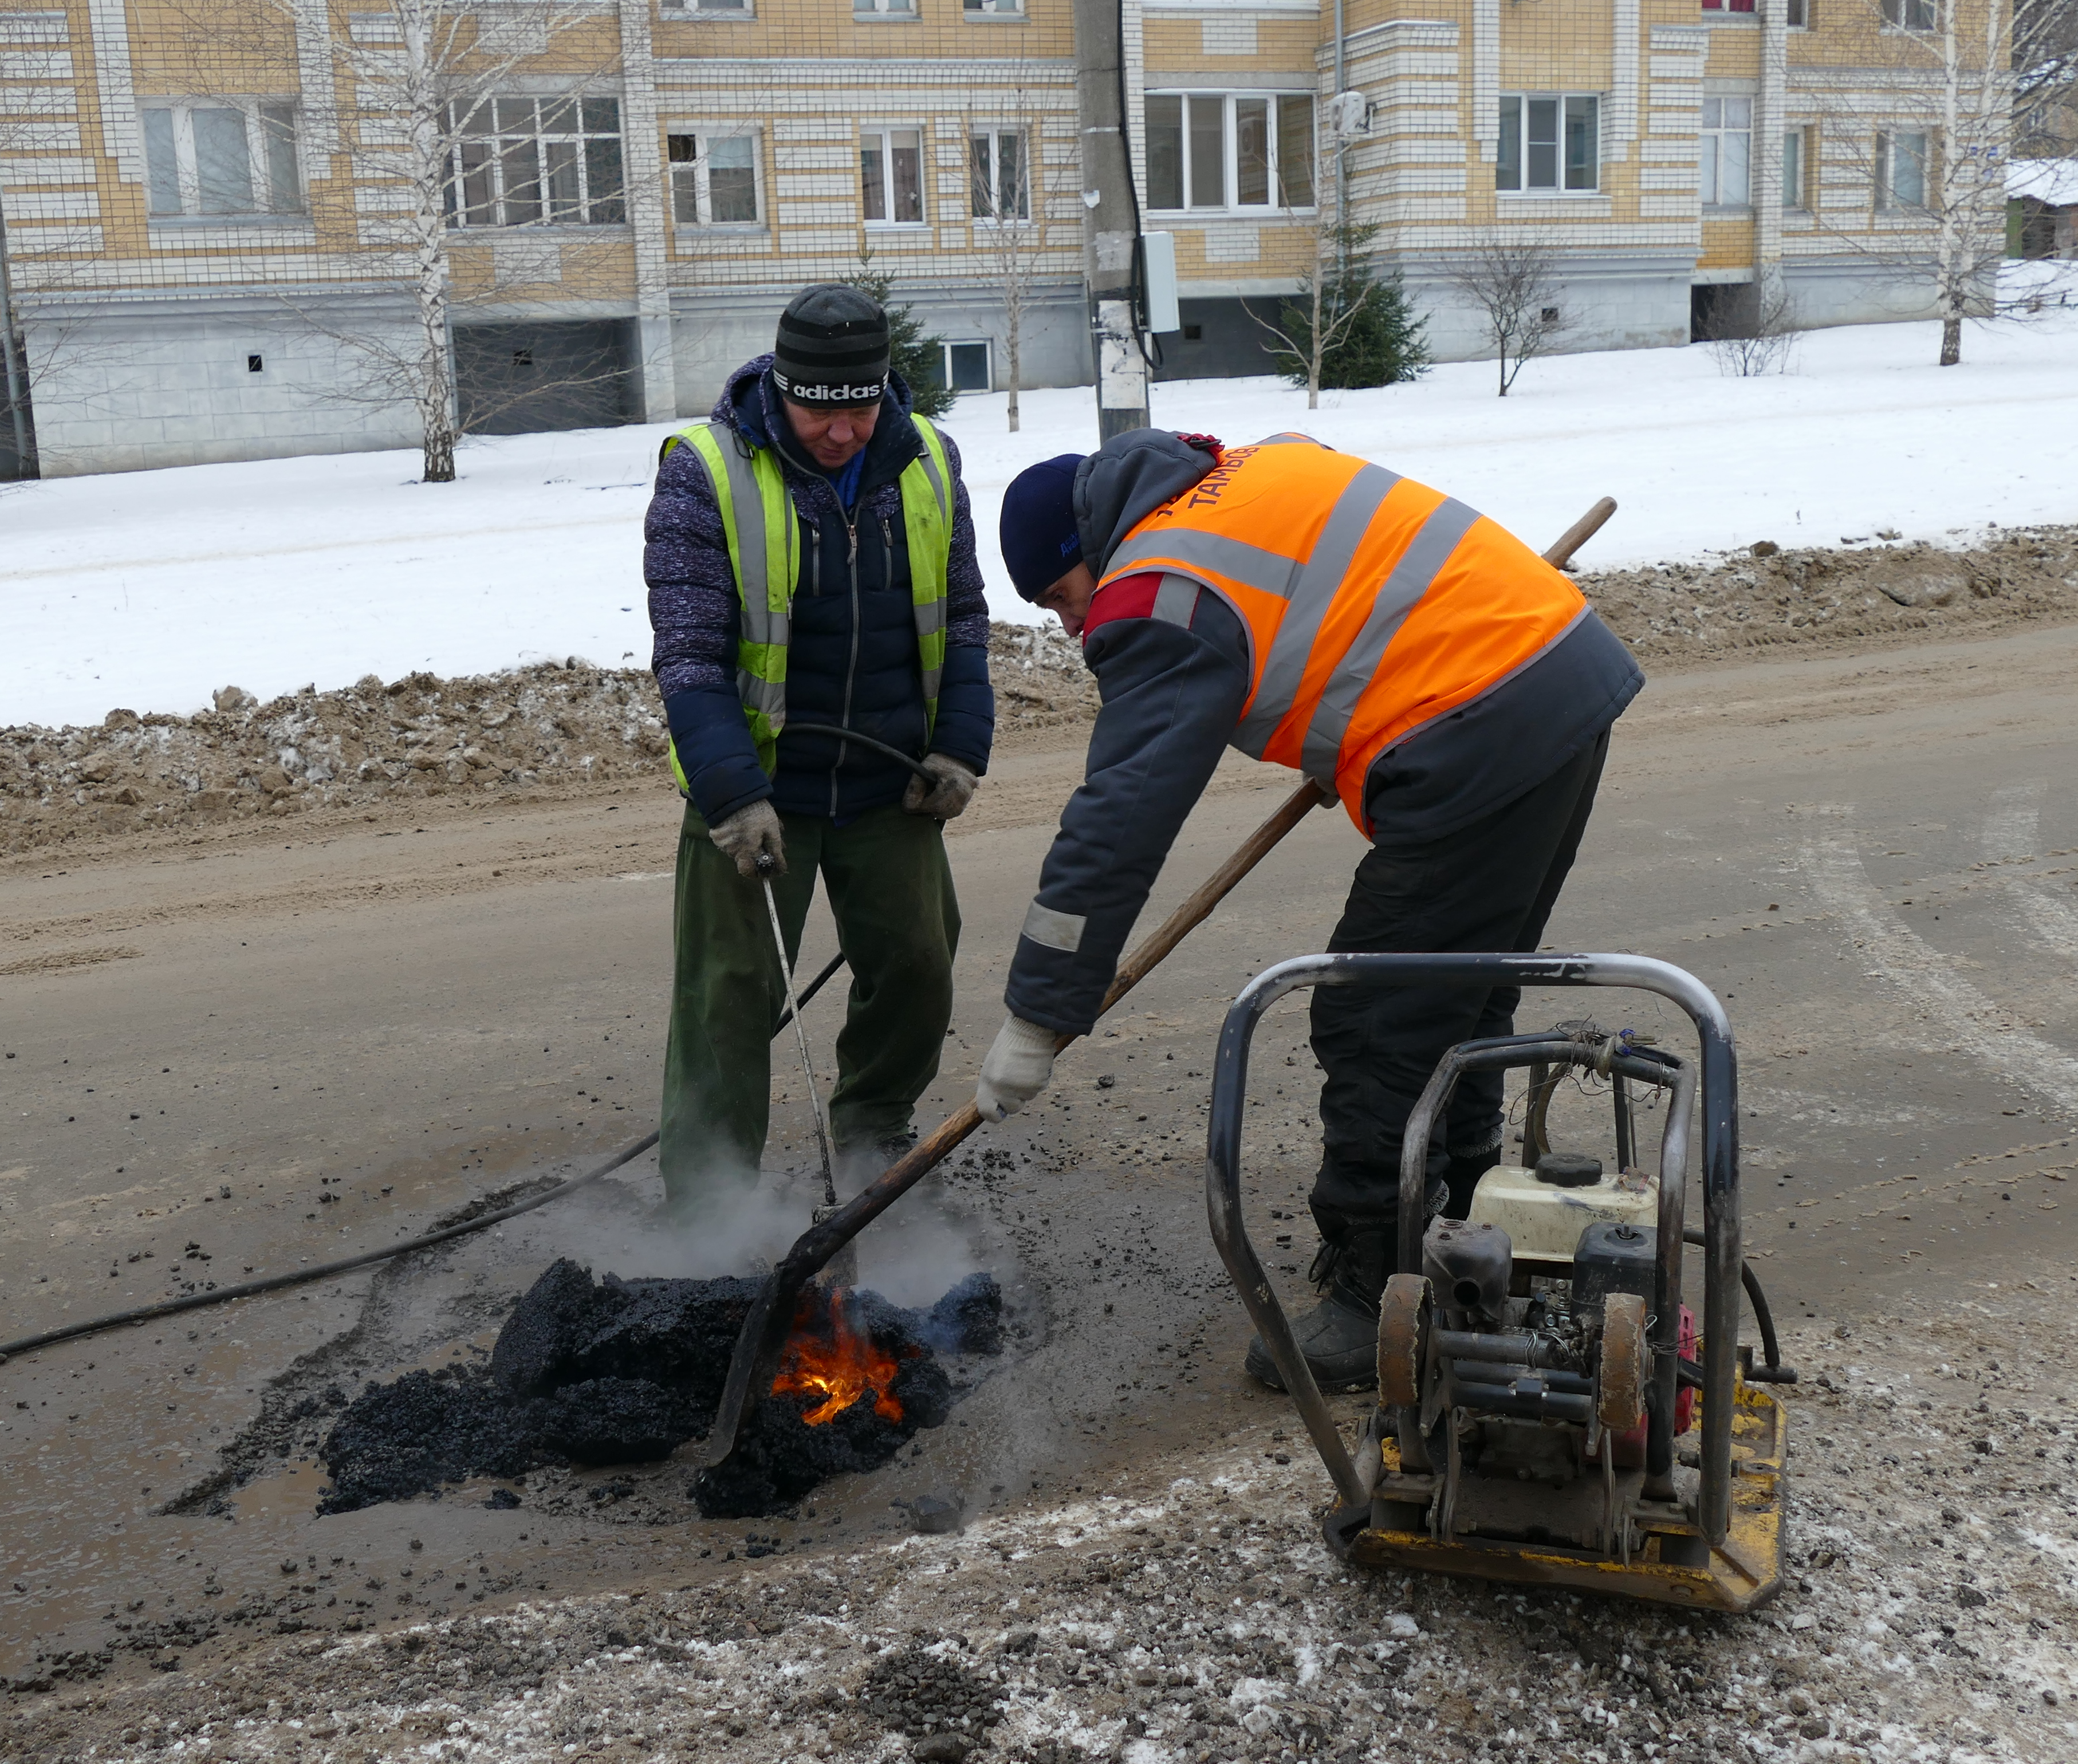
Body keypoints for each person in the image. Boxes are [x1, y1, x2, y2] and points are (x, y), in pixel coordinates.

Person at [969, 428, 1642, 1390]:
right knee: (1459, 994)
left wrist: (1040, 1013)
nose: (1077, 630)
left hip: (1478, 718)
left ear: (1087, 556)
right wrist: (1346, 725)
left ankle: (1378, 1298)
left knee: (1376, 1012)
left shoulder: (1156, 593)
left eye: (1062, 601)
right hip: (1553, 673)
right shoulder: (1248, 468)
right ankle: (1458, 1236)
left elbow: (1116, 823)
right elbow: (1350, 605)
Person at [641, 284, 994, 1221]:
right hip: (758, 788)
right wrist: (731, 796)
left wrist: (960, 744)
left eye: (861, 408)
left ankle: (876, 1137)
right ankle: (709, 1205)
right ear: (781, 388)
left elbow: (960, 615)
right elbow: (688, 653)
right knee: (730, 999)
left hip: (890, 781)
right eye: (817, 412)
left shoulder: (928, 460)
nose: (841, 433)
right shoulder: (705, 470)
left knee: (919, 965)